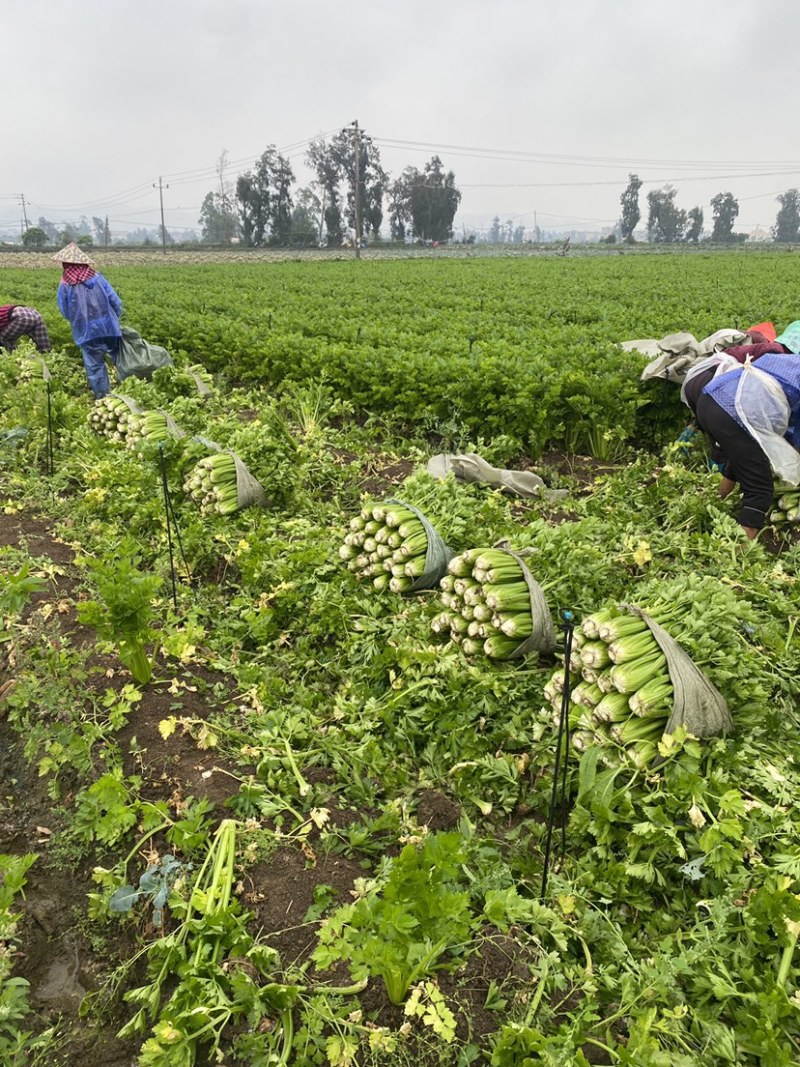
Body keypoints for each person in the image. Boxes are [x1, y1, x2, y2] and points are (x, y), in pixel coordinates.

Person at [694, 352, 800, 539]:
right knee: (760, 490)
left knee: (743, 456)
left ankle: (719, 501)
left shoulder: (792, 361)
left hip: (711, 398)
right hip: (734, 413)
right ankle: (738, 556)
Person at [53, 242, 123, 398]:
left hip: (86, 331)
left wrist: (77, 319)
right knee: (118, 358)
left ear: (65, 264)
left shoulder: (65, 285)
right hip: (108, 326)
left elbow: (65, 311)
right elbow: (115, 301)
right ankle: (126, 389)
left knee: (95, 365)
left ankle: (103, 397)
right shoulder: (97, 278)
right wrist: (115, 319)